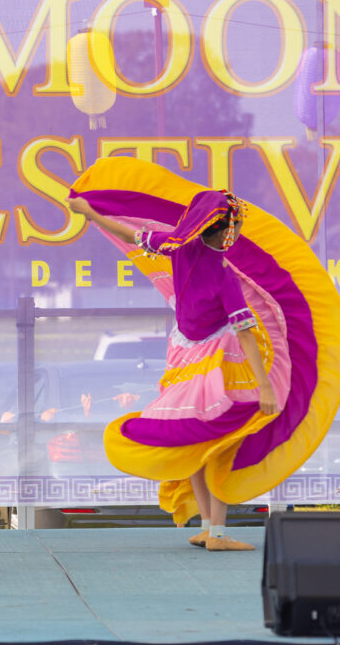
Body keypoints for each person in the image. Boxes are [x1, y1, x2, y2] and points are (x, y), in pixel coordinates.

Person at [67, 156, 340, 551]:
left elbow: (129, 235)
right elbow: (246, 335)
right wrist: (265, 386)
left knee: (197, 438)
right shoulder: (223, 274)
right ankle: (215, 532)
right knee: (220, 439)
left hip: (185, 353)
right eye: (234, 228)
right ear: (226, 233)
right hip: (215, 360)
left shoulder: (177, 249)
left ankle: (211, 527)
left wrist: (89, 212)